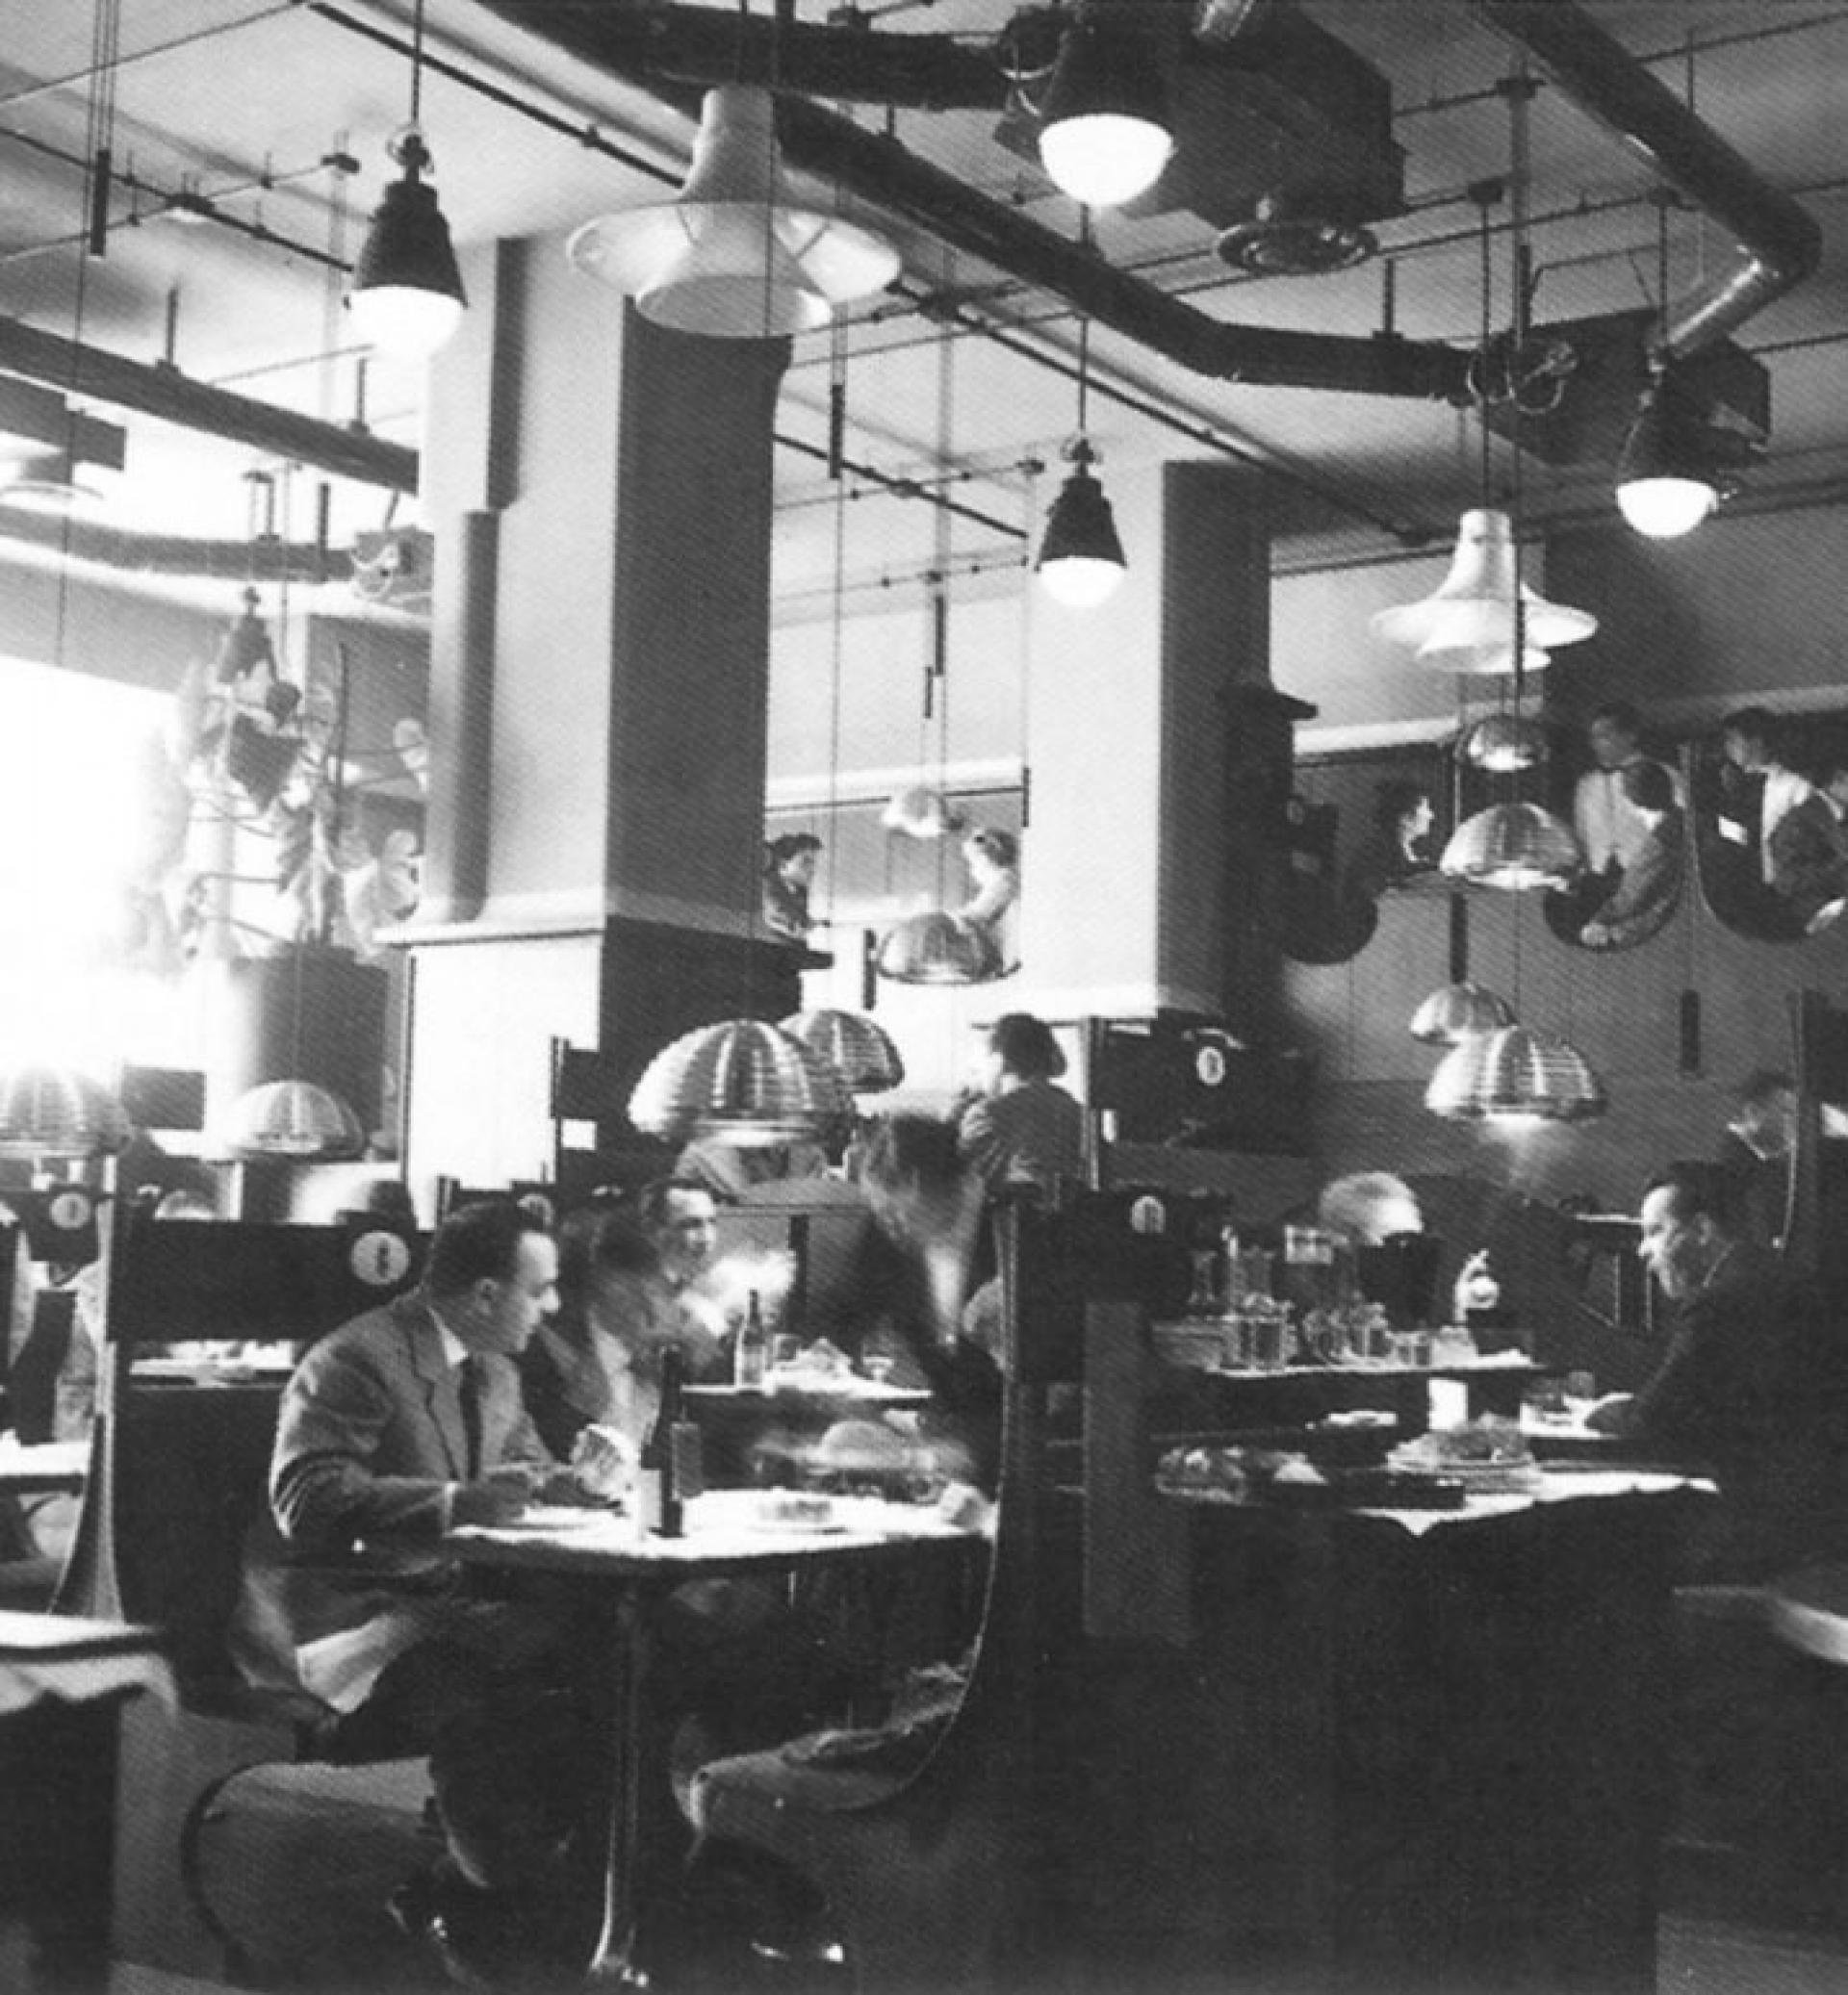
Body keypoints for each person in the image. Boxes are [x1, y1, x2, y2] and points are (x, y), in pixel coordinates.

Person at [231, 1198, 603, 1987]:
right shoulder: (357, 1357)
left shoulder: (496, 1369)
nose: (555, 1307)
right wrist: (452, 1502)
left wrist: (574, 1482)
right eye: (541, 1290)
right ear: (485, 1295)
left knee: (594, 1664)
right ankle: (488, 1900)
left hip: (443, 1606)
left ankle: (498, 1884)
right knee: (502, 1687)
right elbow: (306, 1494)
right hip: (352, 1618)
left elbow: (522, 1472)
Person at [1583, 1162, 1848, 1580]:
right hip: (1815, 1517)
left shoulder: (1722, 1300)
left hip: (1776, 1528)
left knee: (1604, 1555)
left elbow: (1650, 1419)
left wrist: (1599, 1412)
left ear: (1703, 1230)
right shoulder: (1763, 1275)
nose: (1641, 1251)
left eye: (1655, 1231)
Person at [520, 1206, 691, 1466]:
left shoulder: (673, 1357)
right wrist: (577, 1406)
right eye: (668, 1286)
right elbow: (536, 1466)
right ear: (608, 1281)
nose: (680, 1303)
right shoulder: (541, 1352)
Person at [956, 1011, 1087, 1194]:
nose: (975, 1070)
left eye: (982, 1061)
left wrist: (957, 1111)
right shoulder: (1077, 1111)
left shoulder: (987, 1114)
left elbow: (957, 1180)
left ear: (999, 1060)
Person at [1579, 759, 1684, 948]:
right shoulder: (1685, 823)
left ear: (1630, 803)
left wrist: (1598, 923)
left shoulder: (1659, 845)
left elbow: (1629, 900)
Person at [1720, 706, 1812, 885]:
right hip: (1750, 886)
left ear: (1756, 742)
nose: (1728, 748)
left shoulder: (1795, 786)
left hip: (1789, 887)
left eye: (1733, 740)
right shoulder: (1738, 787)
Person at [1767, 744, 1848, 933]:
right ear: (1839, 780)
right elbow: (1788, 880)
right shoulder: (1800, 821)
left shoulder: (1839, 816)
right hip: (1814, 915)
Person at [1346, 780, 1437, 901]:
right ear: (1405, 818)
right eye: (1426, 808)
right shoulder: (1375, 852)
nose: (1431, 815)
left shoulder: (1393, 848)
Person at [956, 826, 1020, 976]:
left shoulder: (1005, 880)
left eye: (973, 862)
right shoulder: (1008, 879)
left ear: (985, 858)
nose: (972, 870)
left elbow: (973, 919)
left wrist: (950, 917)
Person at [761, 832, 821, 944]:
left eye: (813, 863)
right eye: (806, 862)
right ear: (783, 865)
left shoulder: (800, 892)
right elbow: (781, 918)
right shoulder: (767, 888)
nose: (812, 870)